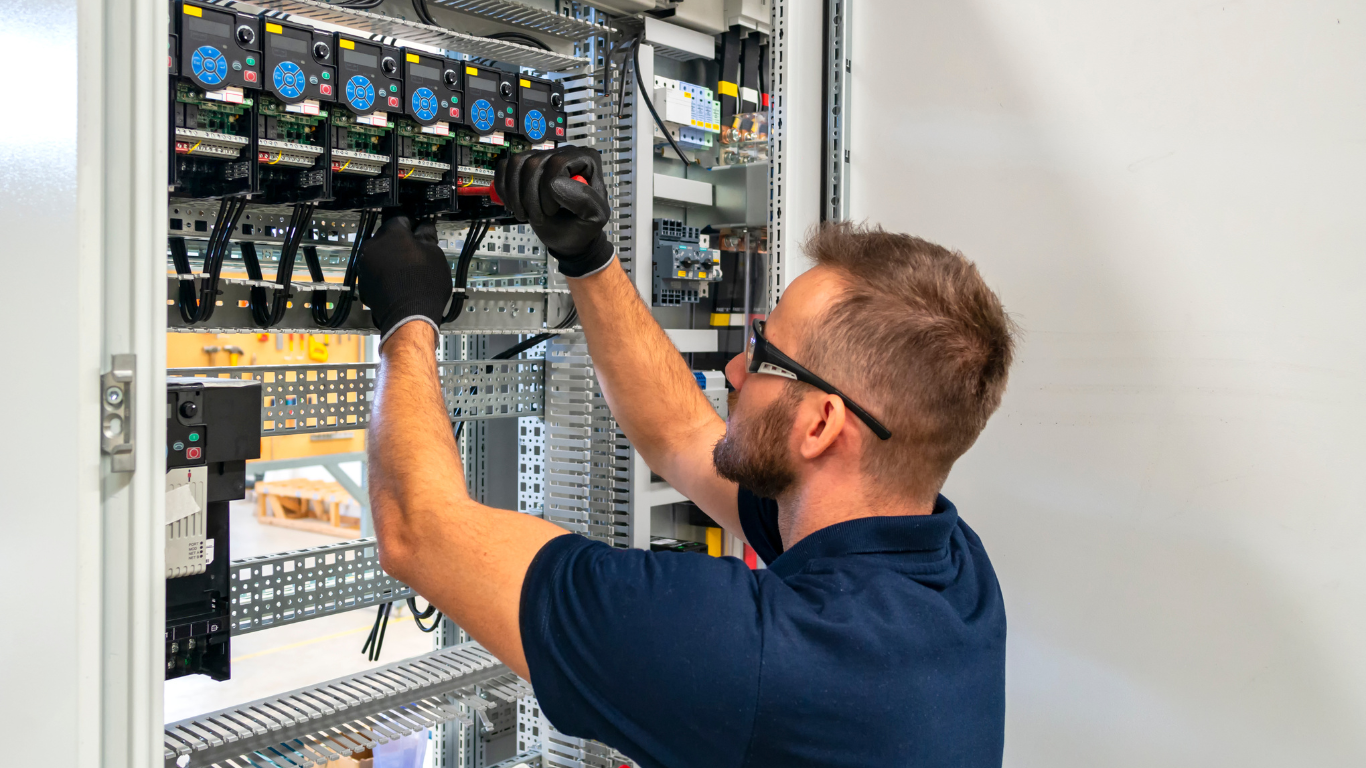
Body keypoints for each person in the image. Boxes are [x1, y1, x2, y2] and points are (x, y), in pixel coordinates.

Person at [356, 146, 1016, 767]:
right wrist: (587, 255)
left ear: (820, 425)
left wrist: (406, 321)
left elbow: (419, 530)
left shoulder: (760, 658)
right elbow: (680, 435)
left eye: (766, 357)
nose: (734, 369)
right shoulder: (952, 571)